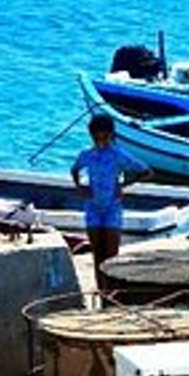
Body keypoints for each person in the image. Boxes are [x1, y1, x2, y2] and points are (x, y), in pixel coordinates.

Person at [70, 112, 149, 269]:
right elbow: (74, 170)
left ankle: (110, 291)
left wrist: (123, 184)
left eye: (104, 137)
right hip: (92, 207)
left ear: (111, 135)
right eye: (96, 138)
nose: (100, 142)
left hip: (112, 207)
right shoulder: (87, 155)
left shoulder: (118, 154)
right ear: (91, 135)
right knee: (98, 256)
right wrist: (80, 187)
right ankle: (101, 291)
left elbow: (146, 171)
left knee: (111, 258)